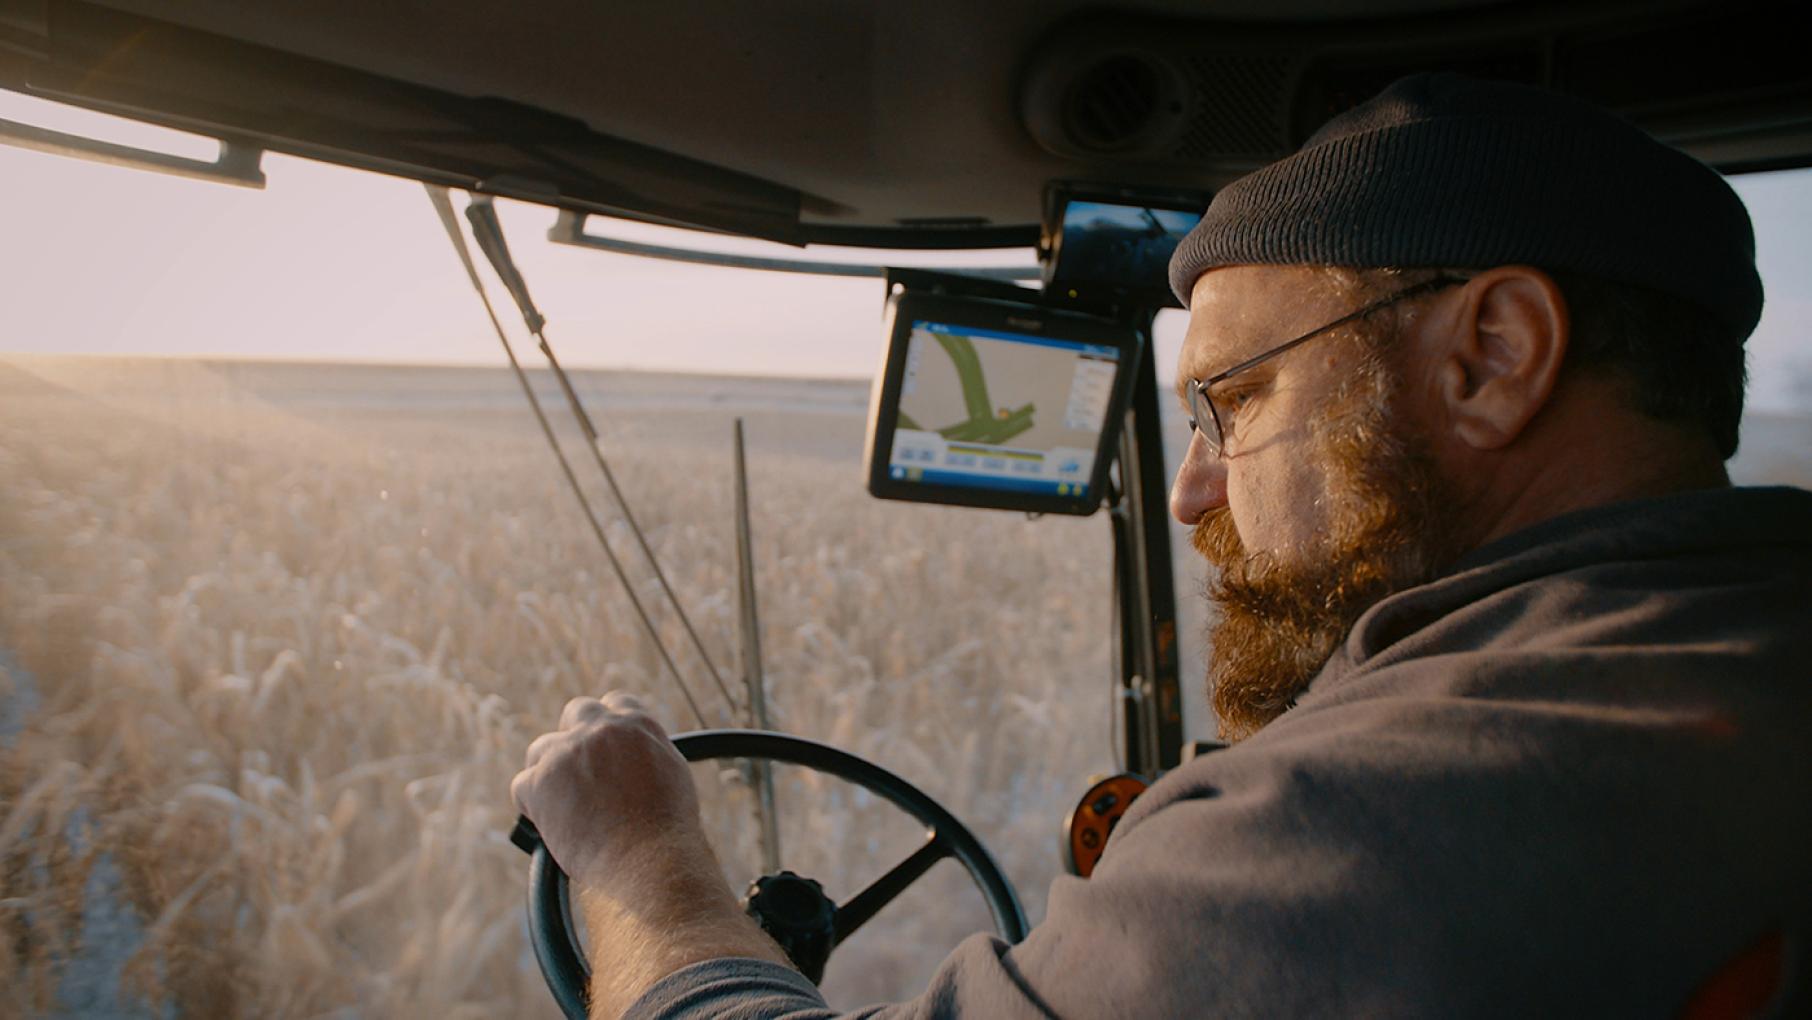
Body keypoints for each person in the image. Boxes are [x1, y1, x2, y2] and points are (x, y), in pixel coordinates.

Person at [511, 73, 1812, 1018]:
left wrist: (639, 856)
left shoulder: (1367, 825)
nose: (1192, 492)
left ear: (1491, 356)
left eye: (1233, 403)